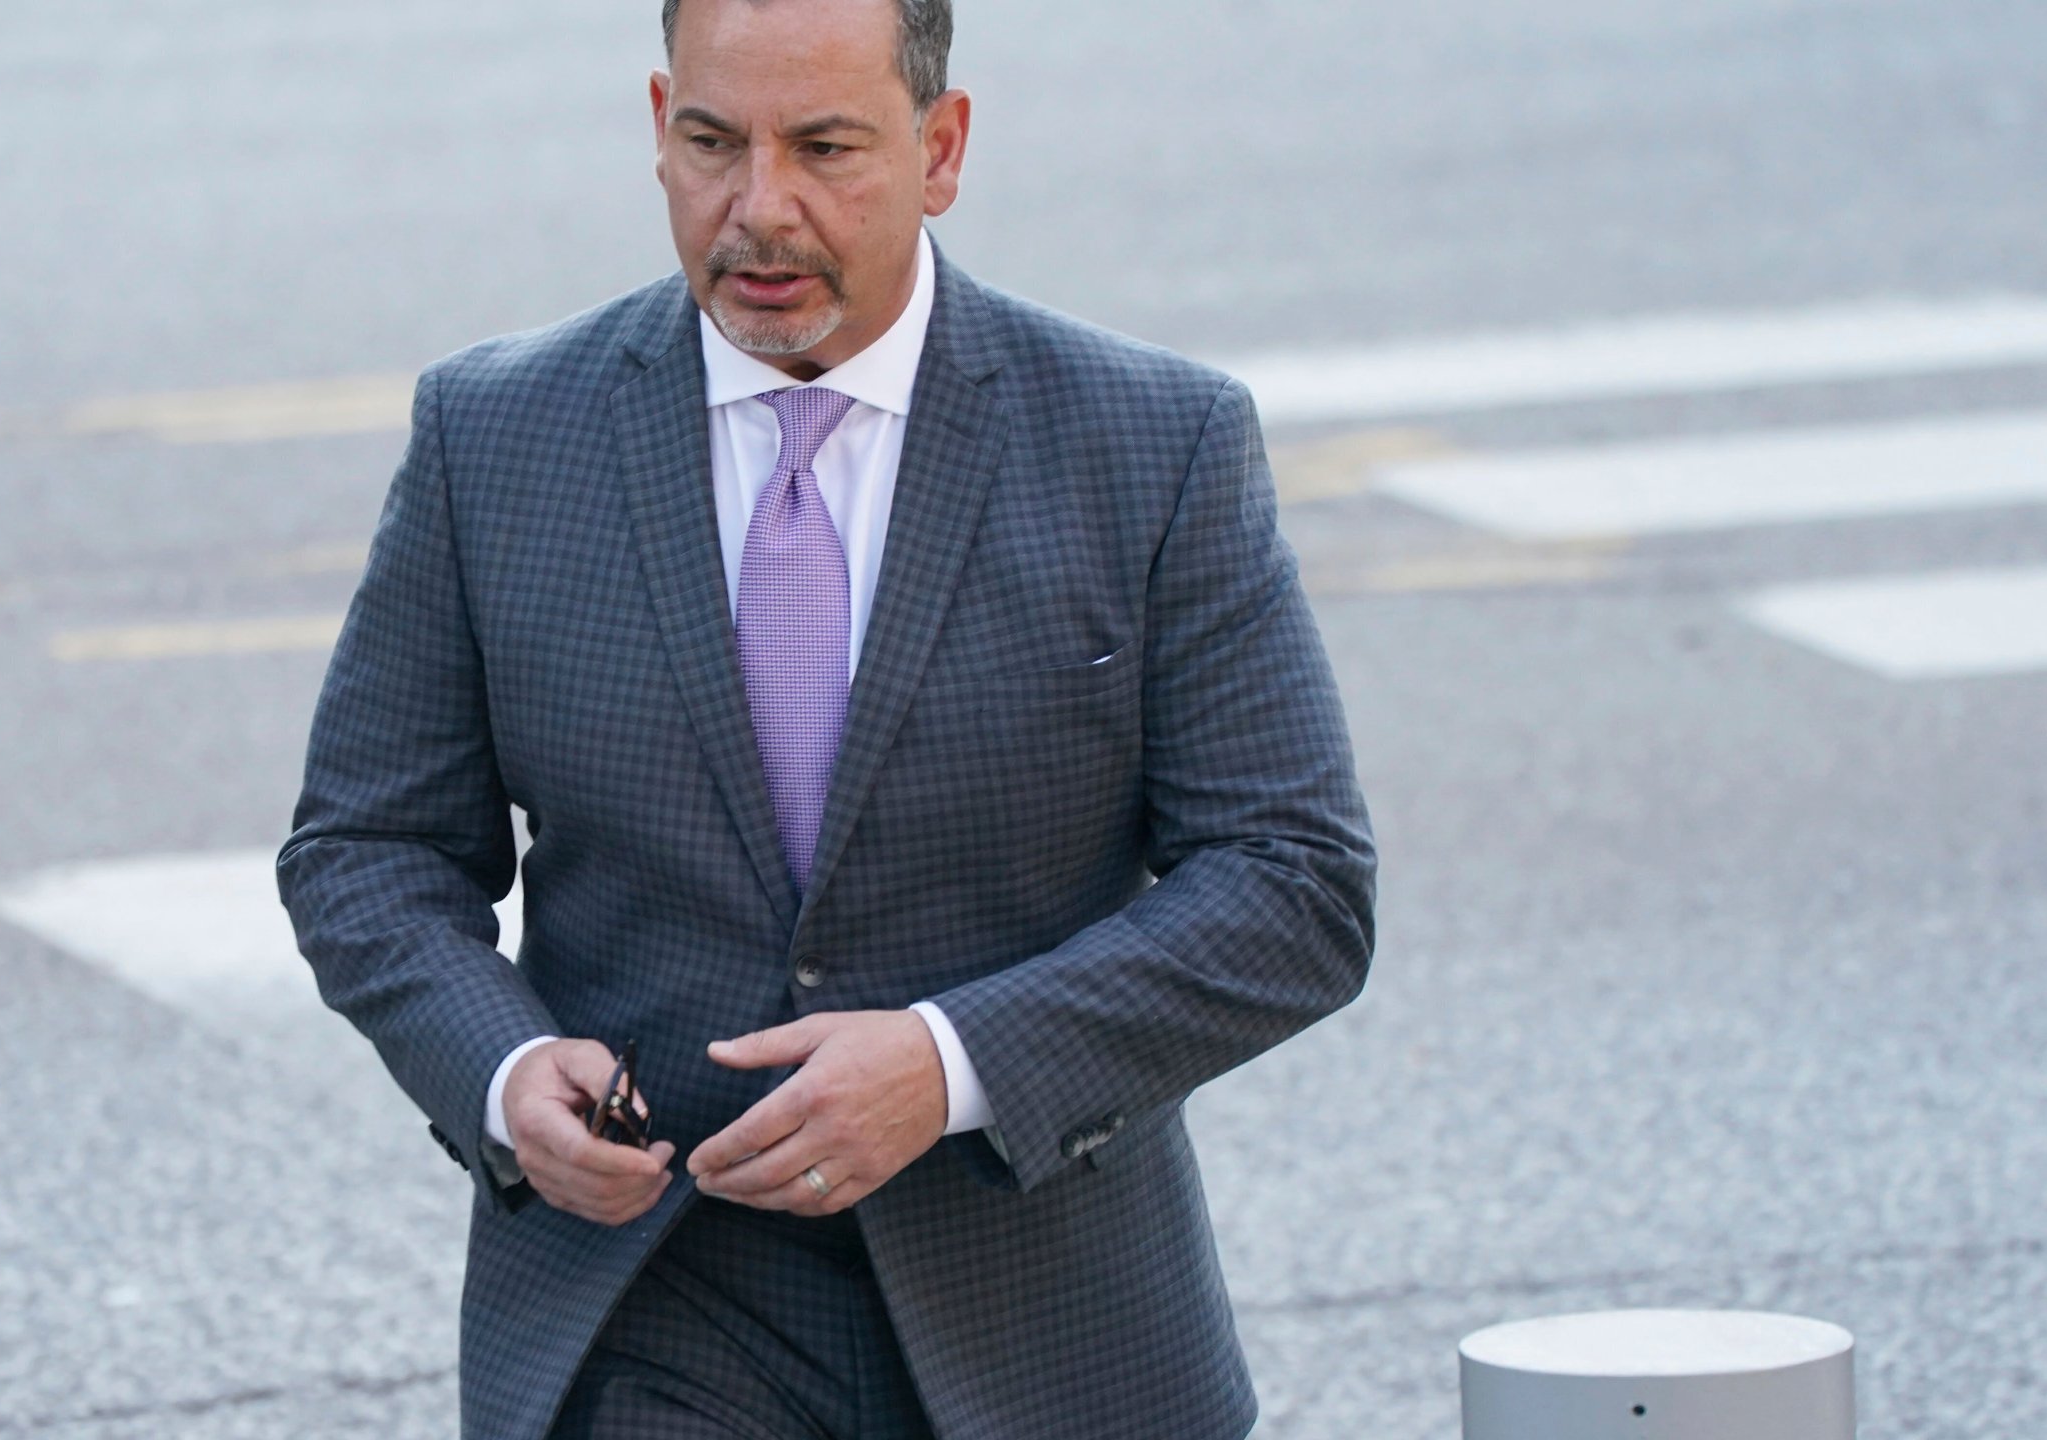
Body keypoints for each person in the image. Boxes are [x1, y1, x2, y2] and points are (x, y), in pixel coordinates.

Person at [275, 0, 1377, 1434]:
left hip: (1049, 1318)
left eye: (826, 147)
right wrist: (498, 1069)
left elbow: (1297, 887)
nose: (760, 209)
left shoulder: (1155, 446)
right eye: (713, 143)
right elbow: (366, 849)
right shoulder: (493, 440)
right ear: (657, 125)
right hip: (658, 1296)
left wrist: (947, 1064)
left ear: (943, 145)